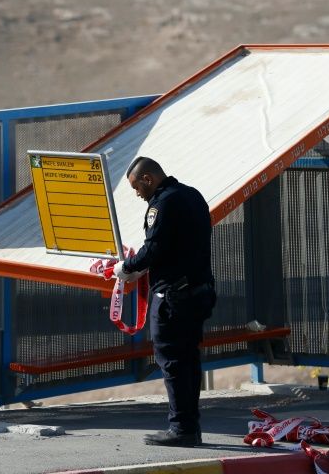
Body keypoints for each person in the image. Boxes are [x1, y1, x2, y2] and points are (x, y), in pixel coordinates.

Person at [114, 156, 216, 447]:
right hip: (198, 290)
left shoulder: (163, 203)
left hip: (175, 296)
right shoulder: (192, 195)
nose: (137, 194)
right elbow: (179, 246)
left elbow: (155, 247)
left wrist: (129, 267)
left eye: (137, 188)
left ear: (148, 179)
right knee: (189, 359)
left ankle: (182, 428)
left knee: (172, 360)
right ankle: (189, 426)